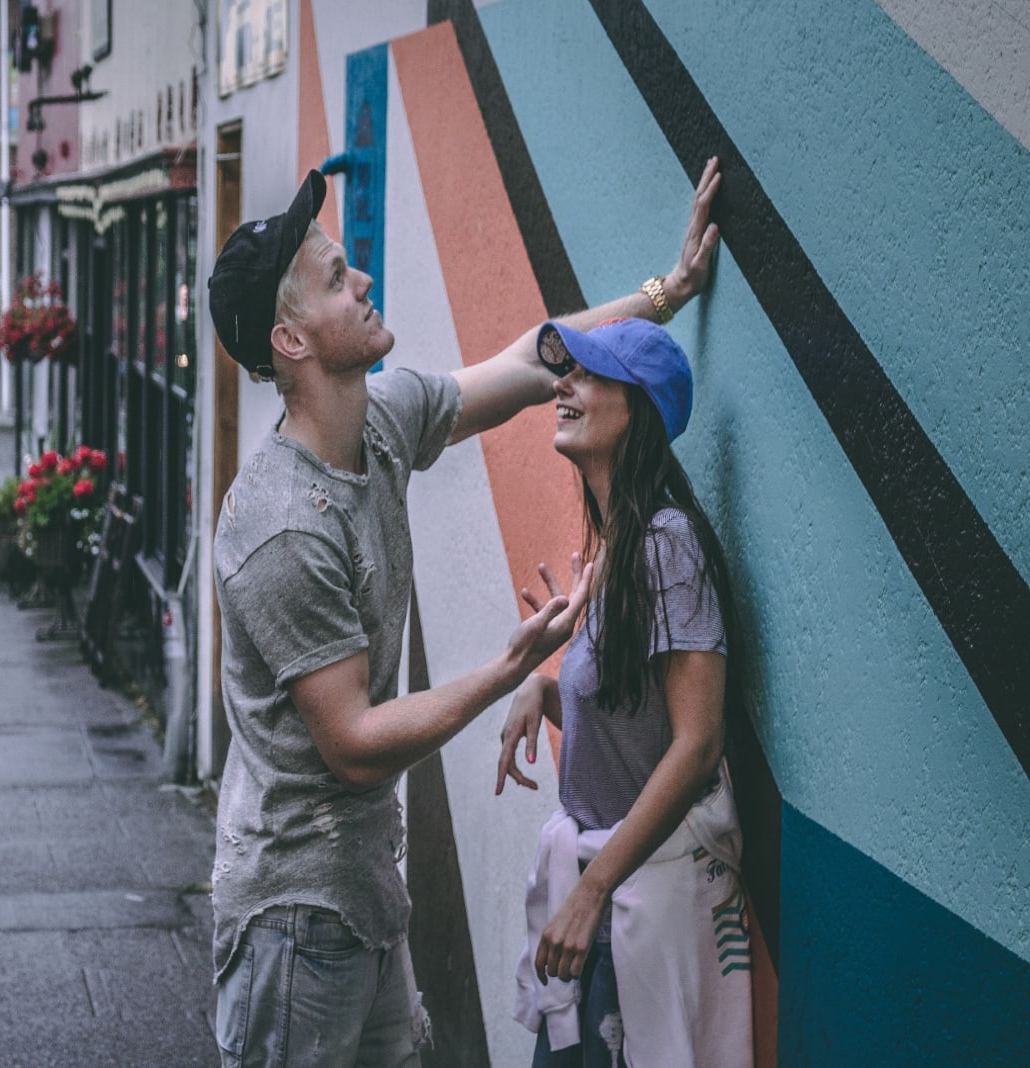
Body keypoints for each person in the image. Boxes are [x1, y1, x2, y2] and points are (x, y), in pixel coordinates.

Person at [206, 157, 721, 1067]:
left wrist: (665, 293)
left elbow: (534, 358)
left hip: (364, 897)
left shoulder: (381, 422)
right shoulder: (282, 526)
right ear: (292, 341)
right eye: (335, 278)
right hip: (293, 917)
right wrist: (509, 672)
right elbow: (355, 743)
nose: (361, 279)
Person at [496, 318, 751, 1067]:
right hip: (600, 919)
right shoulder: (619, 549)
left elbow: (696, 742)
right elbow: (632, 723)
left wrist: (591, 891)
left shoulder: (667, 544)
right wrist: (544, 693)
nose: (563, 385)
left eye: (588, 373)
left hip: (624, 914)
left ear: (637, 409)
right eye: (563, 372)